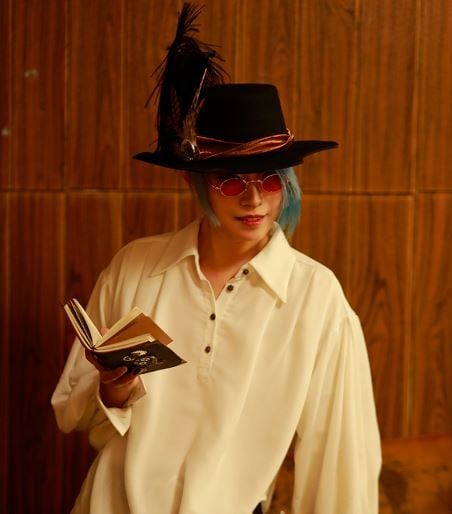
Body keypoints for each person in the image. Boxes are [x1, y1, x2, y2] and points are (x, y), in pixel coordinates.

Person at [52, 4, 381, 513]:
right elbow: (73, 415)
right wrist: (114, 391)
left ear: (288, 184)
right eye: (230, 181)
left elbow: (341, 458)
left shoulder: (316, 298)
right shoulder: (136, 267)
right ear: (198, 183)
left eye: (270, 180)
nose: (253, 200)